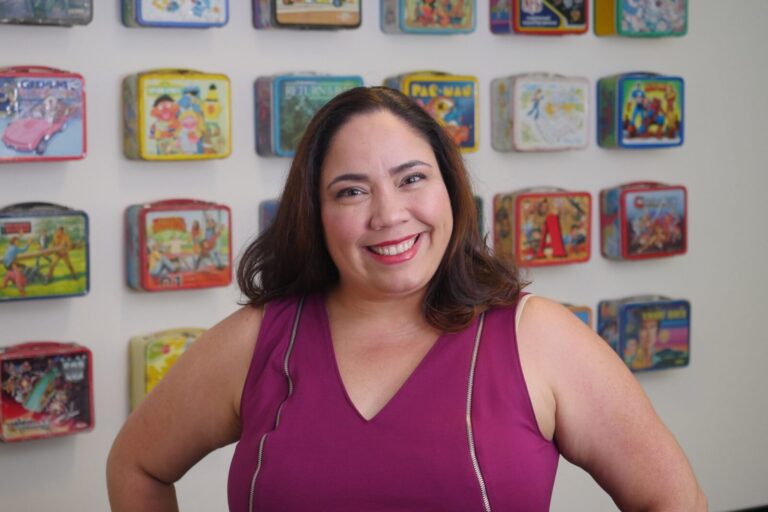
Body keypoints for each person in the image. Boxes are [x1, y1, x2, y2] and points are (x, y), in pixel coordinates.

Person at [107, 87, 706, 511]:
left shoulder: (539, 337)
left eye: (412, 178)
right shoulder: (256, 341)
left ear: (450, 188)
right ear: (315, 214)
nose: (389, 215)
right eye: (350, 191)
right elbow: (136, 467)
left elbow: (672, 500)